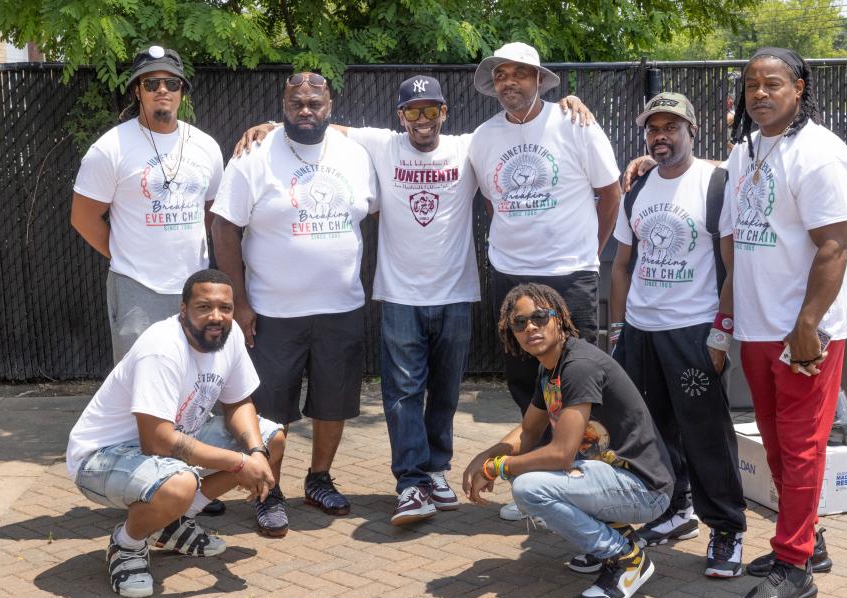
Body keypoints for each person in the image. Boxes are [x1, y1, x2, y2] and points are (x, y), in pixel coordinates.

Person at [231, 77, 594, 526]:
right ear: (399, 117)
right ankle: (409, 481)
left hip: (456, 291)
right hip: (400, 294)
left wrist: (564, 105)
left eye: (430, 111)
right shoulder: (381, 145)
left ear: (444, 113)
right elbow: (321, 121)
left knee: (445, 389)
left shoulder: (471, 146)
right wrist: (268, 124)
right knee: (402, 393)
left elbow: (526, 134)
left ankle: (436, 470)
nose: (421, 120)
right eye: (411, 112)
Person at [211, 72, 379, 518]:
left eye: (315, 103)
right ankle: (270, 491)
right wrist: (239, 303)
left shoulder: (355, 155)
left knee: (333, 401)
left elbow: (375, 207)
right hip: (272, 311)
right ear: (283, 105)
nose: (306, 111)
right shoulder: (255, 154)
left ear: (331, 105)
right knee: (269, 408)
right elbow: (224, 226)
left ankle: (319, 479)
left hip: (341, 305)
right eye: (296, 103)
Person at [468, 41, 623, 522]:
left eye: (519, 73)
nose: (509, 82)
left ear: (539, 79)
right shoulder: (483, 137)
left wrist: (589, 254)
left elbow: (610, 193)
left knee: (575, 382)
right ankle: (533, 486)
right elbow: (493, 202)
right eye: (500, 76)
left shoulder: (575, 123)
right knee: (524, 382)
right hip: (512, 274)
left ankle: (582, 481)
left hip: (570, 274)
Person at [725, 48, 847, 598]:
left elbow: (835, 244)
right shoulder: (744, 150)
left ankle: (795, 565)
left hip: (804, 333)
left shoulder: (820, 154)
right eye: (752, 84)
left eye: (772, 83)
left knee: (802, 450)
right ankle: (808, 540)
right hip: (757, 326)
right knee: (777, 446)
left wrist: (807, 324)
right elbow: (737, 235)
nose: (759, 93)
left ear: (799, 88)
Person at [65, 269, 288, 598]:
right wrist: (240, 464)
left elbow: (239, 401)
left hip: (165, 444)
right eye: (203, 307)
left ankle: (173, 524)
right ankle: (125, 545)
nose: (216, 316)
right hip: (101, 458)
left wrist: (254, 452)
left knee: (271, 441)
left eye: (225, 308)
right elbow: (157, 440)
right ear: (183, 310)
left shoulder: (230, 336)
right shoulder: (162, 347)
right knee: (179, 484)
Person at [462, 283, 674, 598]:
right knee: (526, 474)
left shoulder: (579, 366)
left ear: (558, 318)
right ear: (512, 332)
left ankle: (626, 559)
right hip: (612, 476)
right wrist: (487, 455)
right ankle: (616, 539)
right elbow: (529, 431)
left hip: (644, 487)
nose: (530, 327)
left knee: (530, 487)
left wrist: (497, 468)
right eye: (520, 322)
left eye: (539, 317)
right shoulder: (550, 368)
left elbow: (561, 454)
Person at [608, 92, 748, 578]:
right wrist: (618, 328)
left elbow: (733, 266)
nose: (661, 136)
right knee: (653, 431)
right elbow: (623, 265)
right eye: (653, 128)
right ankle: (674, 511)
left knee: (706, 433)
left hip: (693, 330)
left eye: (671, 127)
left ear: (692, 132)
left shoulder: (716, 183)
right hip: (641, 331)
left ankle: (727, 530)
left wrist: (721, 332)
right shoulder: (637, 189)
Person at [70, 45, 224, 364]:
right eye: (151, 84)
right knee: (141, 385)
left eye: (172, 83)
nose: (162, 90)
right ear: (138, 91)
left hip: (194, 285)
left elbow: (211, 212)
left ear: (183, 91)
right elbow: (83, 218)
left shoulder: (206, 147)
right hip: (136, 288)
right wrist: (126, 253)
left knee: (195, 382)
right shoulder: (110, 148)